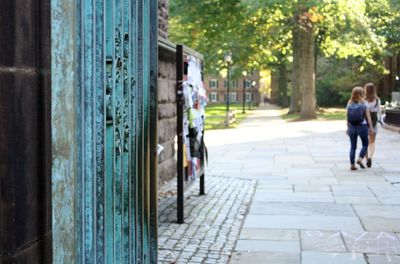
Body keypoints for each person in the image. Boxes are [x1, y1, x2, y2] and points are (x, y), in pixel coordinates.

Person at [346, 87, 374, 170]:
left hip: (352, 127)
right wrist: (371, 127)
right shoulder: (364, 103)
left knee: (353, 147)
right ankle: (360, 158)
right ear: (361, 94)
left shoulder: (349, 103)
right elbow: (368, 117)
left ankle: (352, 165)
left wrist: (348, 127)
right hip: (362, 126)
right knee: (365, 144)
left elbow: (347, 117)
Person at [364, 83, 382, 168]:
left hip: (364, 122)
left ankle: (367, 159)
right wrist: (381, 121)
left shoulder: (363, 100)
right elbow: (379, 112)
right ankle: (371, 157)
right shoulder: (377, 100)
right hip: (374, 122)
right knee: (372, 142)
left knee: (365, 142)